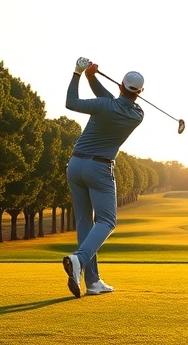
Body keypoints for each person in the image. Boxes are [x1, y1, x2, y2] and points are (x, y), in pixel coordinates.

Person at [62, 57, 145, 298]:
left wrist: (79, 74)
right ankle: (79, 259)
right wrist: (92, 78)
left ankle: (93, 281)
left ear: (120, 86)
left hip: (75, 164)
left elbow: (71, 102)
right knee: (107, 221)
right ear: (140, 93)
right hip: (99, 168)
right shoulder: (137, 115)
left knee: (85, 223)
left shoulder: (102, 105)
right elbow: (115, 101)